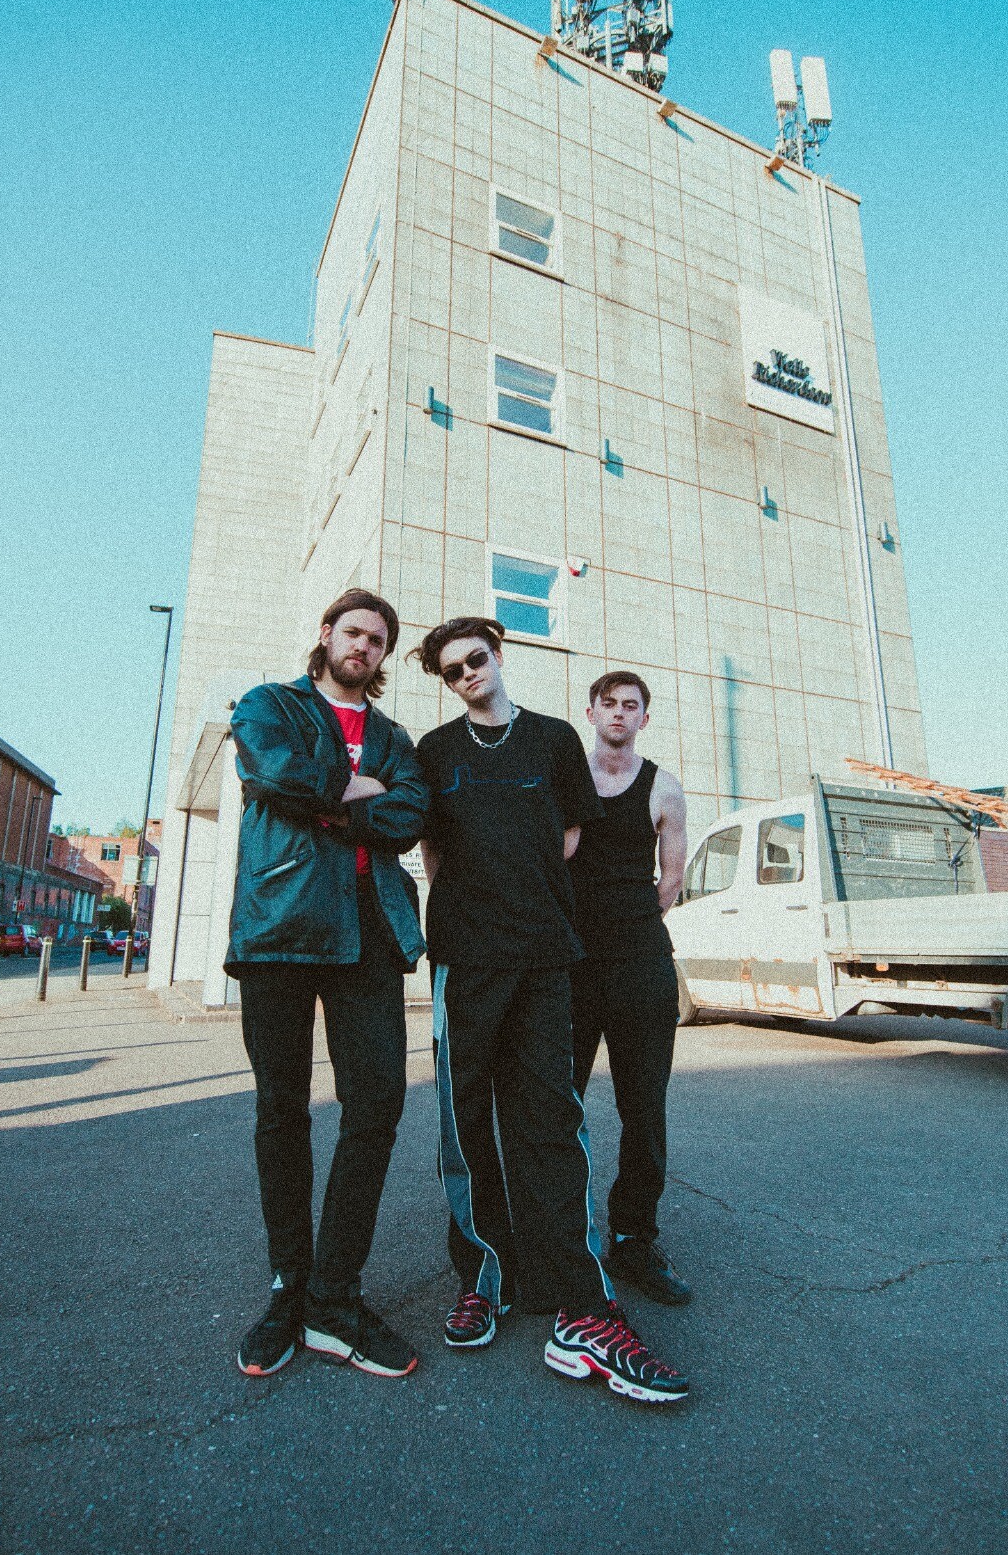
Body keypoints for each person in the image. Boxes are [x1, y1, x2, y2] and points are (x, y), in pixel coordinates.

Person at [411, 617, 689, 1405]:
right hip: (467, 957)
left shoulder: (554, 740)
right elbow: (432, 852)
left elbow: (568, 836)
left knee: (551, 1122)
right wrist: (478, 895)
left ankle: (581, 1307)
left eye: (476, 658)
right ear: (445, 681)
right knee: (467, 1121)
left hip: (543, 953)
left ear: (497, 657)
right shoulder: (436, 751)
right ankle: (484, 1277)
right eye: (452, 669)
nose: (468, 673)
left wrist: (520, 885)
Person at [227, 589, 430, 1381]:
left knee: (376, 1105)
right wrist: (360, 790)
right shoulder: (269, 705)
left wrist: (341, 800)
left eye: (377, 639)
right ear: (326, 635)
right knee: (281, 1109)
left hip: (369, 934)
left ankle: (333, 1297)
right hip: (281, 925)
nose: (364, 646)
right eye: (354, 632)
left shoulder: (392, 736)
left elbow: (410, 815)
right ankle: (289, 1286)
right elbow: (275, 772)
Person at [568, 671, 693, 1306]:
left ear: (644, 718)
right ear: (591, 712)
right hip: (571, 963)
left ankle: (634, 1239)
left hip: (640, 963)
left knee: (642, 1107)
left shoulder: (663, 786)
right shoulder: (568, 777)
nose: (619, 713)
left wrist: (630, 923)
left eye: (631, 706)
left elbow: (671, 877)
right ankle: (563, 1237)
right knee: (557, 1102)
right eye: (609, 704)